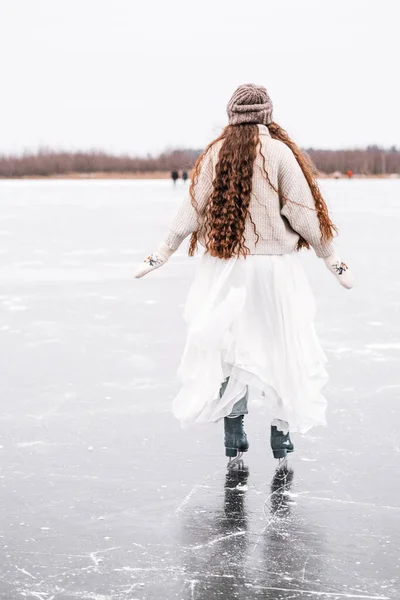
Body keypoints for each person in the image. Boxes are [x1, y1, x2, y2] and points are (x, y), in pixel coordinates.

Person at [135, 84, 354, 463]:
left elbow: (192, 210)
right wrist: (331, 258)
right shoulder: (281, 153)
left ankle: (233, 430)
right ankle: (281, 434)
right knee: (282, 346)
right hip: (274, 271)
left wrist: (161, 252)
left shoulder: (217, 153)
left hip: (225, 268)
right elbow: (304, 213)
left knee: (229, 349)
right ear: (268, 115)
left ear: (231, 114)